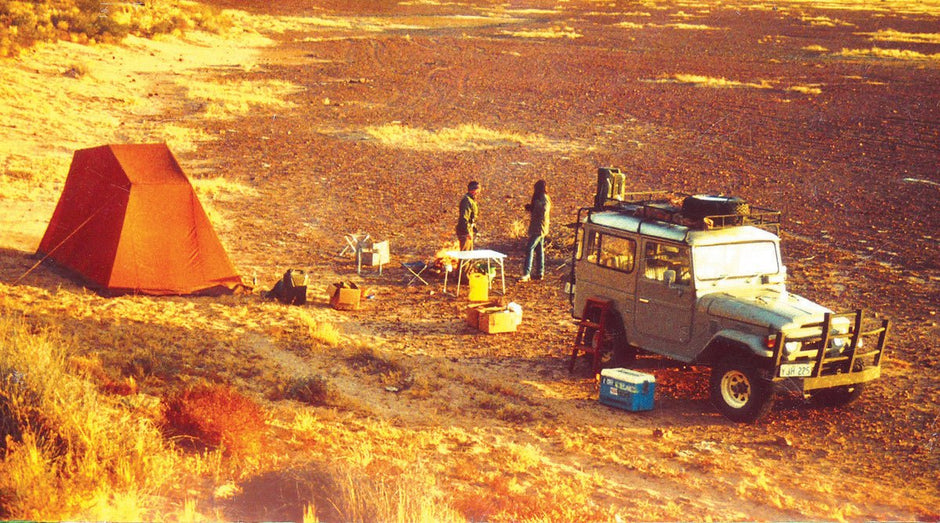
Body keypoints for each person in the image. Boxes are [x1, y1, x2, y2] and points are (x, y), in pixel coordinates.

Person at [520, 179, 550, 282]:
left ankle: (526, 273)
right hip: (539, 228)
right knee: (539, 250)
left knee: (529, 248)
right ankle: (539, 273)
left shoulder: (544, 199)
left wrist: (534, 205)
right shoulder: (542, 198)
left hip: (539, 229)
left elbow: (542, 212)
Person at [456, 180, 480, 251]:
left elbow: (471, 217)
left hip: (468, 229)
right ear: (473, 190)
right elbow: (464, 218)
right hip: (464, 232)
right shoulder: (467, 201)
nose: (479, 192)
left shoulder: (471, 200)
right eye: (478, 190)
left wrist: (474, 229)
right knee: (465, 255)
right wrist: (467, 232)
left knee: (468, 254)